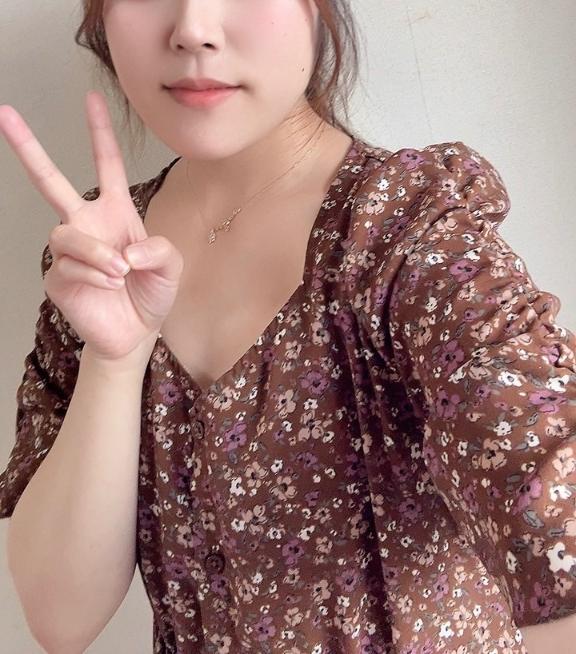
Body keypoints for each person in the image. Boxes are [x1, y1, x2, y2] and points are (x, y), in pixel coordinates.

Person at [0, 2, 575, 653]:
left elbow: (552, 515)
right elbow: (60, 619)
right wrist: (114, 359)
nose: (193, 29)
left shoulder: (406, 234)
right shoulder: (98, 251)